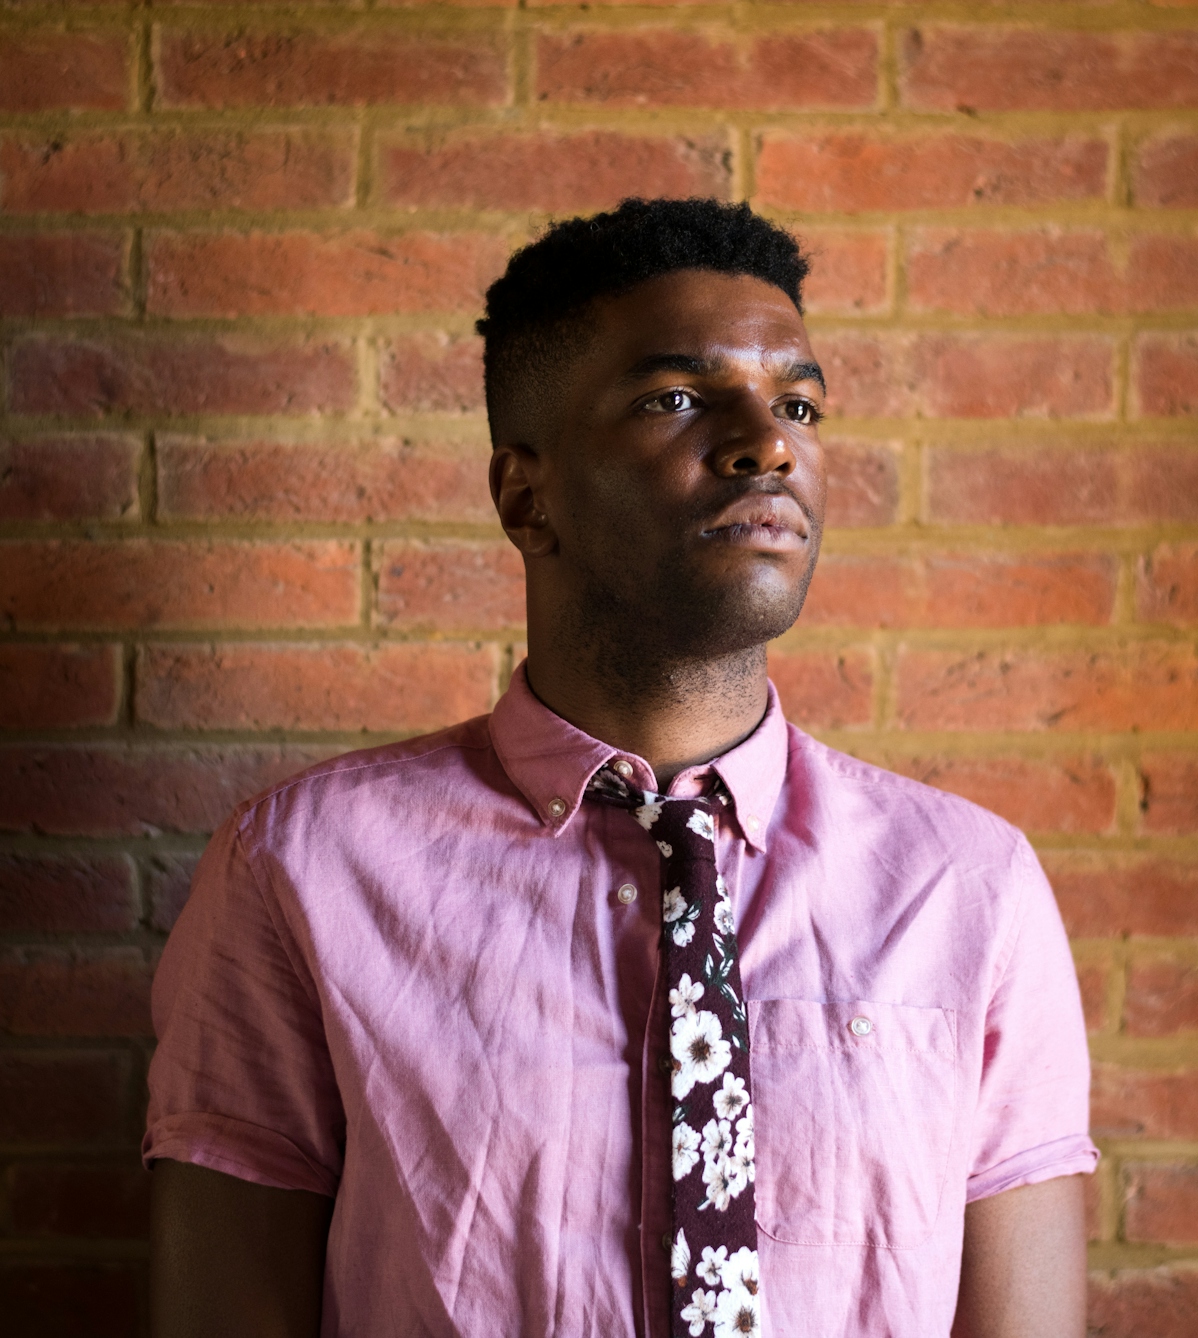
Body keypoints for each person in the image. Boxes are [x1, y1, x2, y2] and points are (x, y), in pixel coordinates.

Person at [146, 199, 1096, 1338]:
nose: (769, 442)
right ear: (524, 496)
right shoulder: (306, 872)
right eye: (678, 400)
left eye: (797, 403)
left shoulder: (968, 889)